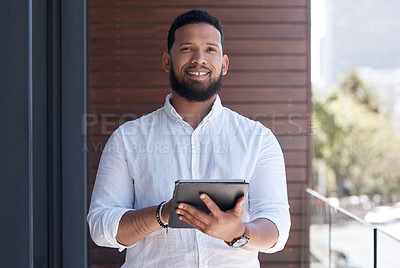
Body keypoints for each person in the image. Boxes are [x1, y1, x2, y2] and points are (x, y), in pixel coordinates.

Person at [87, 9, 290, 268]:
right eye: (187, 49)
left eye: (210, 49)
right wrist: (162, 214)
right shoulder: (127, 138)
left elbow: (277, 227)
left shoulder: (259, 139)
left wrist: (237, 233)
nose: (199, 59)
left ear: (224, 64)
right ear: (166, 61)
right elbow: (101, 226)